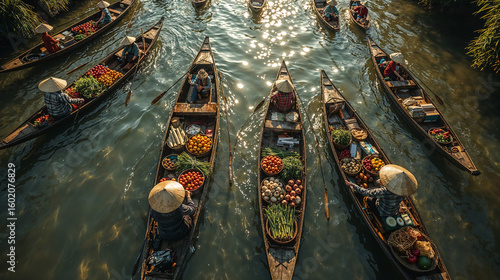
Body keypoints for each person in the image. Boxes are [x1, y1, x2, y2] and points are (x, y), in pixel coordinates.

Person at [345, 164, 418, 217]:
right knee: (378, 194)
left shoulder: (383, 192)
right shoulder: (404, 192)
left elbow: (366, 192)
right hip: (394, 211)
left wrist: (353, 185)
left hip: (382, 212)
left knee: (368, 199)